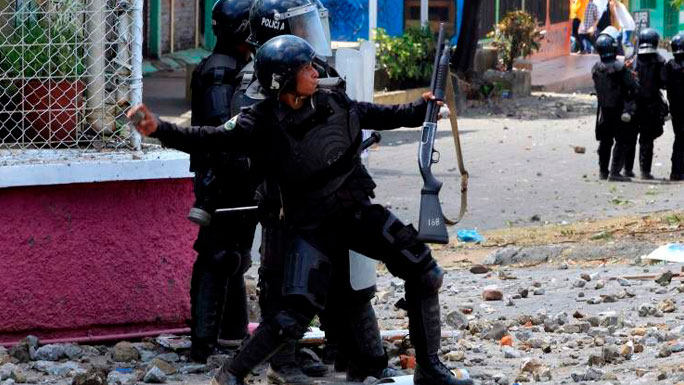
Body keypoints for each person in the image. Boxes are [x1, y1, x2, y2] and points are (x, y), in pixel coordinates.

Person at [130, 35, 473, 385]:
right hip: (310, 227)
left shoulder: (332, 99)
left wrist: (420, 109)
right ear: (282, 80)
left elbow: (373, 113)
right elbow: (209, 137)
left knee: (425, 272)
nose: (314, 72)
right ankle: (231, 374)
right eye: (305, 68)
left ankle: (429, 367)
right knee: (292, 316)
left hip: (354, 210)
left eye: (312, 65)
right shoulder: (259, 122)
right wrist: (159, 130)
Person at [234, 1, 400, 383]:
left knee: (347, 278)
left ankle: (359, 357)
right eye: (299, 28)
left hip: (332, 198)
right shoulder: (255, 83)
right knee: (283, 282)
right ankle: (283, 361)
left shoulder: (317, 71)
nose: (309, 39)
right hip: (283, 202)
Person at [185, 0, 256, 363]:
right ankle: (202, 344)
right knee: (219, 255)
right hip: (222, 178)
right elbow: (220, 131)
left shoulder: (238, 65)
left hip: (237, 177)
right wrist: (240, 169)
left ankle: (231, 335)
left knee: (236, 257)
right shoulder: (220, 71)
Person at [591, 28, 637, 181]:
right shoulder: (618, 66)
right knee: (622, 140)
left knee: (605, 141)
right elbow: (631, 86)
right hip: (618, 109)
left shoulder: (596, 68)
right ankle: (615, 172)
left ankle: (603, 171)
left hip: (604, 111)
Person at [623, 28, 668, 179]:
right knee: (646, 140)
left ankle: (627, 170)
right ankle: (645, 171)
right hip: (651, 106)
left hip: (633, 105)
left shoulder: (631, 58)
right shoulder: (660, 60)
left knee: (629, 138)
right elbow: (663, 83)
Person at [662, 33, 684, 181]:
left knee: (679, 137)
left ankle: (676, 170)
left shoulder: (669, 65)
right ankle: (677, 170)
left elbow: (662, 83)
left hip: (675, 109)